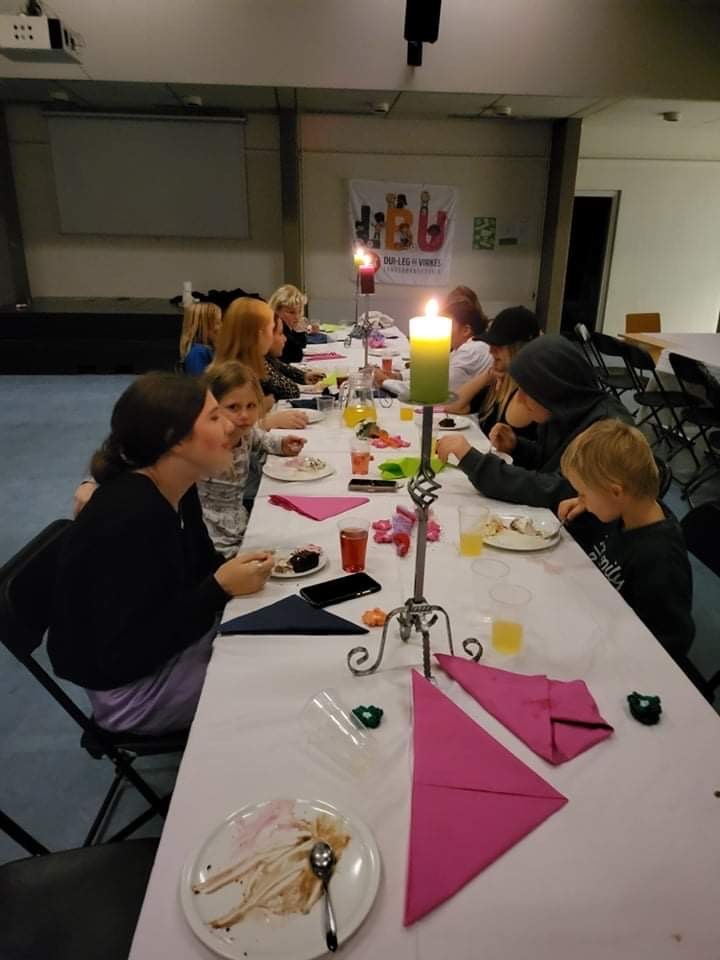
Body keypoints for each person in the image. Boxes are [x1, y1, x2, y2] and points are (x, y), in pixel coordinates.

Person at [48, 373, 274, 736]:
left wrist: (233, 575)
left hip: (167, 651)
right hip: (132, 691)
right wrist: (218, 588)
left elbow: (199, 568)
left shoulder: (177, 488)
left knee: (281, 642)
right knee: (276, 680)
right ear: (174, 438)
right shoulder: (133, 516)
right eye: (215, 417)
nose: (231, 425)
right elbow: (126, 650)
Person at [436, 335, 633, 510]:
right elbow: (549, 462)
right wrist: (517, 447)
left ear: (551, 389)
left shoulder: (607, 430)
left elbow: (556, 490)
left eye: (525, 391)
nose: (519, 399)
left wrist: (475, 463)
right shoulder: (563, 409)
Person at [558, 419, 694, 660]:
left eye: (583, 493)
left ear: (615, 492)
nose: (580, 500)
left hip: (623, 657)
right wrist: (584, 509)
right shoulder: (624, 511)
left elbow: (671, 641)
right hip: (592, 618)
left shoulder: (660, 557)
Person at [199, 361, 306, 556]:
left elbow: (262, 439)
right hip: (212, 537)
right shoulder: (203, 446)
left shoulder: (245, 434)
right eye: (233, 407)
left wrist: (282, 444)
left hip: (240, 522)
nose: (244, 415)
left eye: (251, 406)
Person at [445, 307, 540, 444]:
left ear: (519, 348)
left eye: (499, 345)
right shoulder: (499, 386)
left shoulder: (526, 396)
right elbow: (452, 405)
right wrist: (488, 375)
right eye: (491, 344)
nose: (491, 350)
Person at [214, 296, 308, 430]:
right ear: (258, 335)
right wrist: (267, 422)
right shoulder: (231, 376)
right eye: (271, 330)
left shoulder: (246, 365)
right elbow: (226, 432)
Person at [372, 301, 493, 398]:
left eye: (447, 325)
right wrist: (398, 376)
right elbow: (433, 373)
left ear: (466, 330)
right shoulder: (465, 347)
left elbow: (433, 389)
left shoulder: (471, 351)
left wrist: (385, 381)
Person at [263, 315, 325, 401]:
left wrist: (303, 376)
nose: (285, 338)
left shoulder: (266, 358)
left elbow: (282, 366)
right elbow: (292, 390)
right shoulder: (257, 364)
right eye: (280, 334)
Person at [268, 284, 312, 363]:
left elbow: (302, 344)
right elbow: (295, 356)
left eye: (299, 311)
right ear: (276, 310)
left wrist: (299, 331)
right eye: (291, 312)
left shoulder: (288, 327)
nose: (297, 317)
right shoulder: (276, 328)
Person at [179, 302, 222, 375]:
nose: (221, 326)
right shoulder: (198, 353)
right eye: (217, 322)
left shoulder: (208, 349)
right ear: (203, 327)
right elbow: (198, 381)